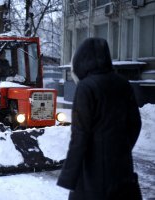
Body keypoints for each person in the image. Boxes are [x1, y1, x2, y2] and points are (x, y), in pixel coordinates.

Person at [57, 38, 142, 200]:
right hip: (122, 171)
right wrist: (121, 148)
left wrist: (68, 176)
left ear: (82, 61)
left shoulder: (86, 87)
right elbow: (135, 124)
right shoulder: (123, 83)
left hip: (95, 176)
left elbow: (80, 135)